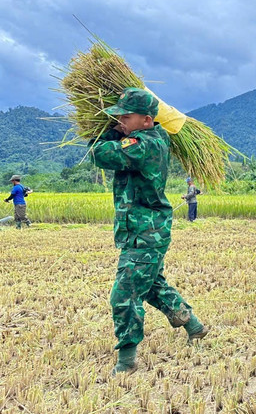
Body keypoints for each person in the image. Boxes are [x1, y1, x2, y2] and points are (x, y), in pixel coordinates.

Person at [90, 87, 208, 375]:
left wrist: (106, 132)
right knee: (152, 285)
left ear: (146, 120)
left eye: (125, 117)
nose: (119, 121)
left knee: (124, 294)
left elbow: (100, 154)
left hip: (146, 232)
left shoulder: (144, 145)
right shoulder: (150, 137)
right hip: (142, 230)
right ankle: (194, 325)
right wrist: (119, 129)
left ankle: (127, 360)